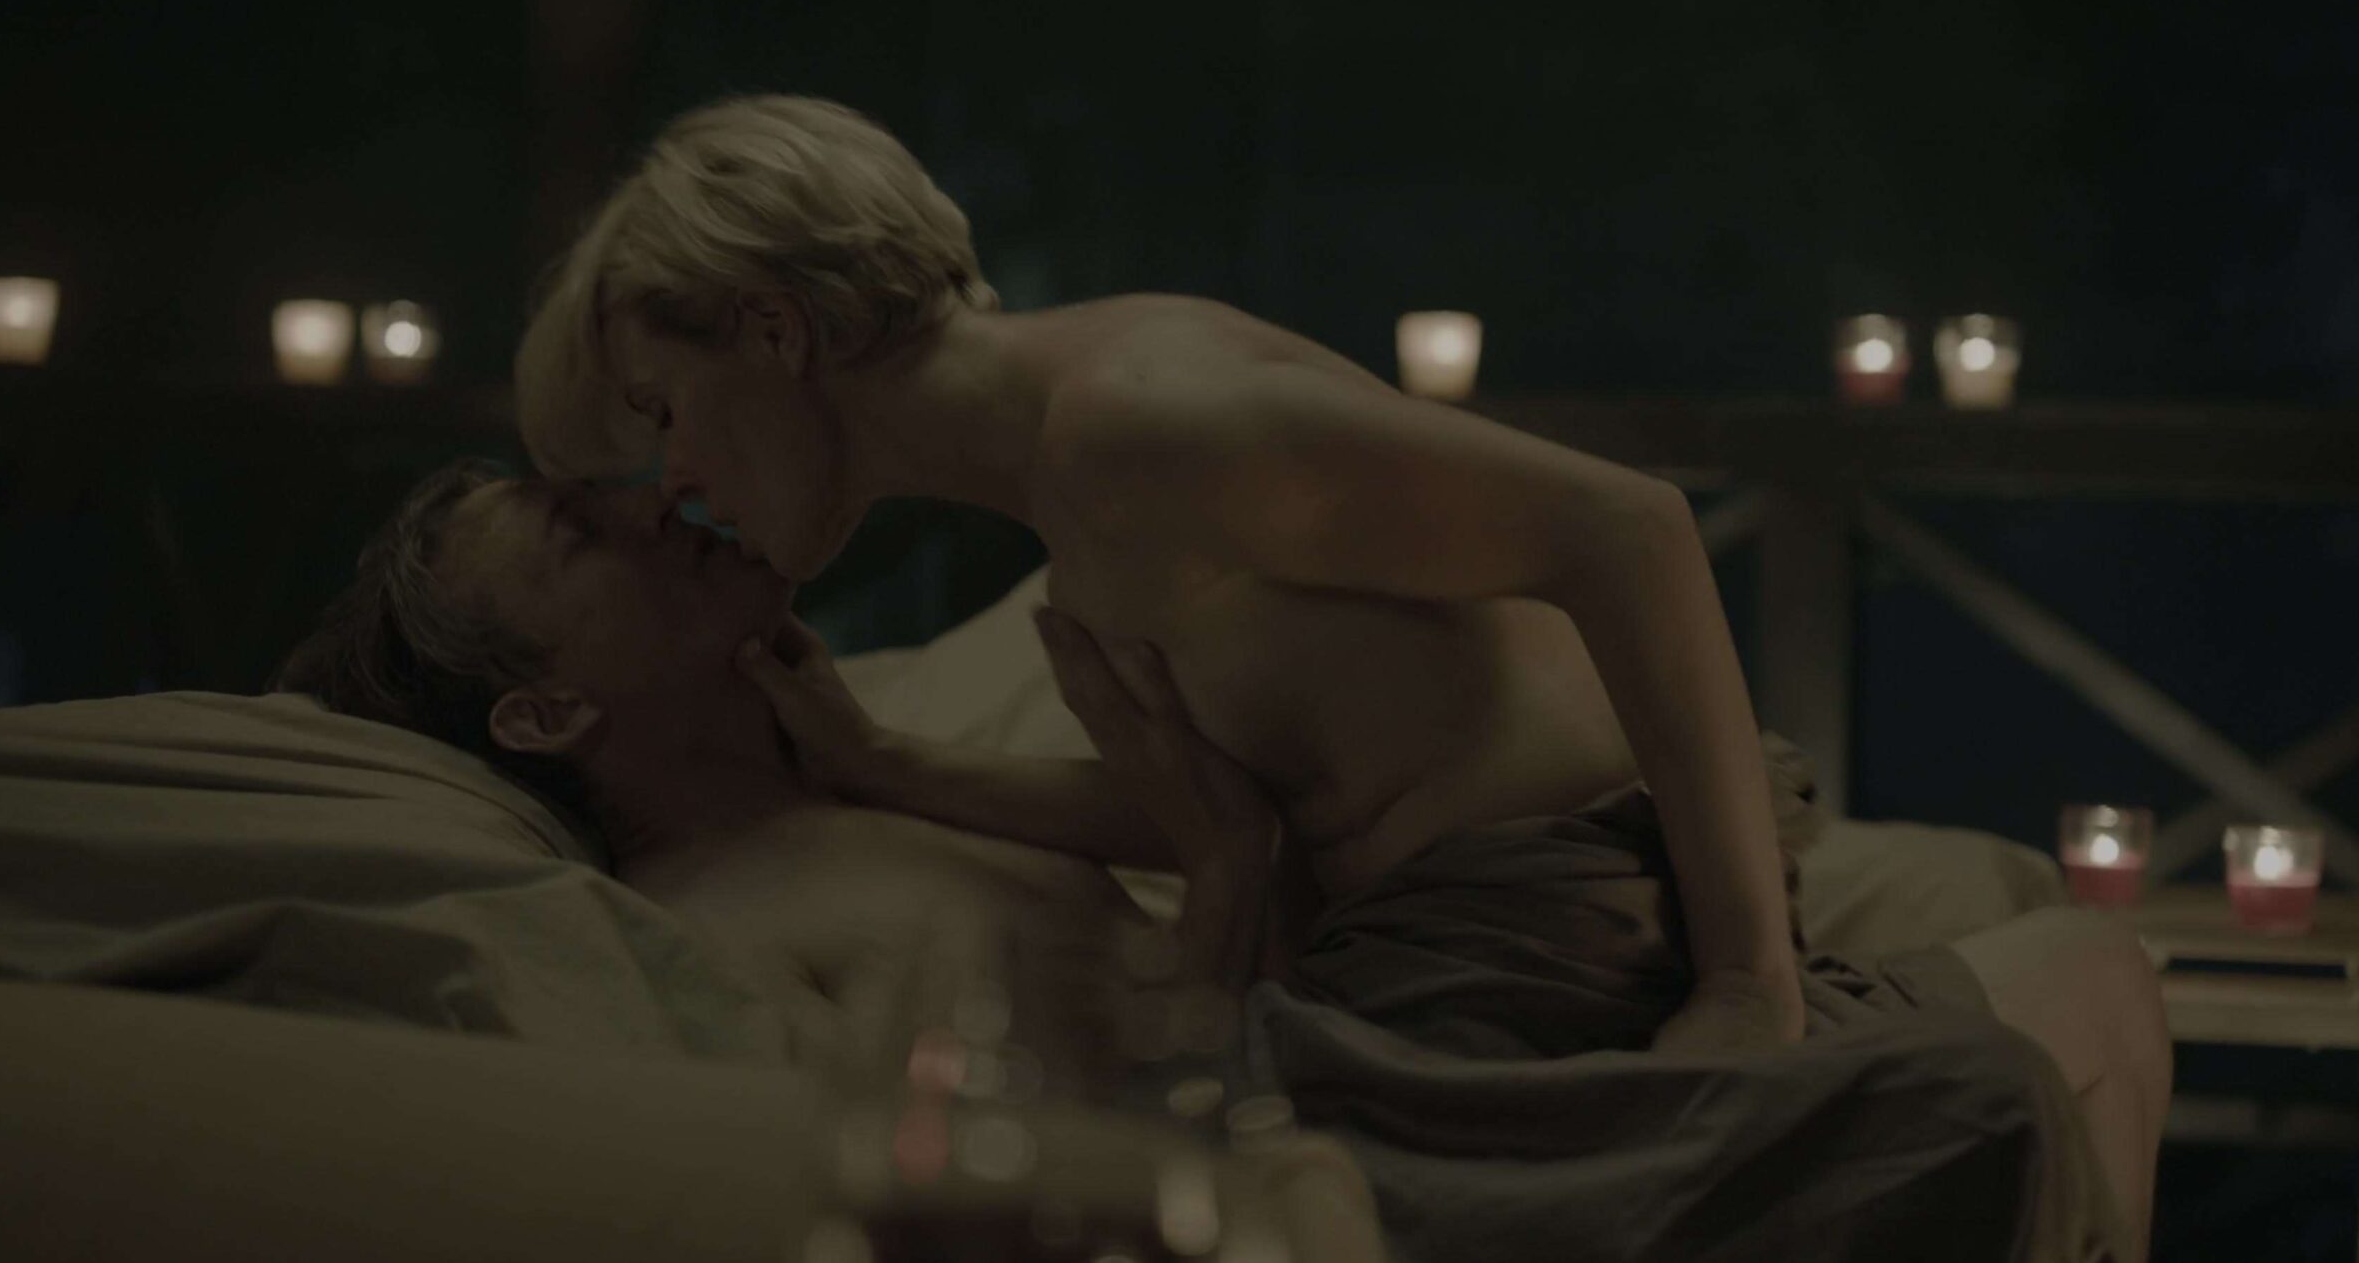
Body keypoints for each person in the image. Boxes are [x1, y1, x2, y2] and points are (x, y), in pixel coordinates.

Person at [510, 95, 2162, 1239]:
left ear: (776, 331)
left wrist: (1746, 976)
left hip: (1531, 970)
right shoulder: (1085, 468)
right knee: (2069, 1024)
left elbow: (1632, 530)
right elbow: (1267, 791)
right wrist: (891, 766)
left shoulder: (1141, 422)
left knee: (2070, 1018)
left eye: (663, 412)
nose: (675, 482)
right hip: (1461, 983)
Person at [284, 462, 2156, 1262]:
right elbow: (957, 1177)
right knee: (1990, 1090)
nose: (642, 505)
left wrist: (1231, 849)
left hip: (1370, 1060)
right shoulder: (702, 914)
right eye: (572, 534)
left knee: (2089, 971)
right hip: (1312, 1183)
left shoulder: (873, 775)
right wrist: (1229, 875)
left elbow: (1207, 965)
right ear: (542, 710)